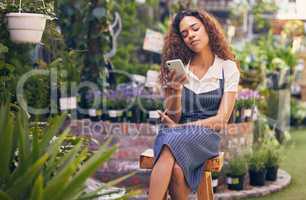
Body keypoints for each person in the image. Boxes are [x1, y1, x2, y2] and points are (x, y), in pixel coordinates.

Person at [148, 9, 240, 200]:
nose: (190, 35)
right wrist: (174, 91)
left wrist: (181, 127)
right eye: (184, 34)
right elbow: (174, 117)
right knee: (176, 169)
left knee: (168, 140)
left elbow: (221, 120)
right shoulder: (182, 67)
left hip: (206, 136)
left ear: (207, 28)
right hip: (178, 133)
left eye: (195, 28)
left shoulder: (227, 68)